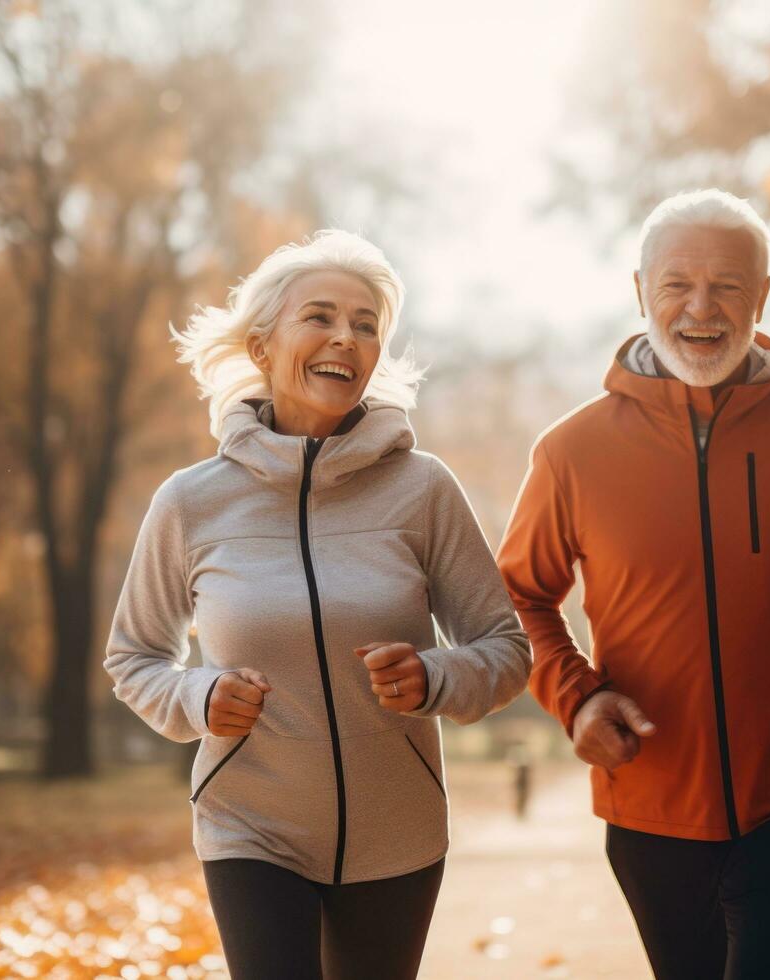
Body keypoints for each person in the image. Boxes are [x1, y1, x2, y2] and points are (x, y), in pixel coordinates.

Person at [498, 189, 770, 979]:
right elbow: (516, 599)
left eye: (728, 285)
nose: (701, 308)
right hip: (649, 794)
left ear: (761, 295)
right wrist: (579, 696)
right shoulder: (573, 451)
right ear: (641, 291)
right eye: (677, 285)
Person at [104, 230, 531, 980]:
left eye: (366, 324)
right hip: (250, 825)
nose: (347, 337)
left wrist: (433, 678)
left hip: (397, 832)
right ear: (263, 347)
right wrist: (200, 696)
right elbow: (133, 657)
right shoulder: (191, 502)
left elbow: (504, 649)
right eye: (322, 316)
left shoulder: (422, 489)